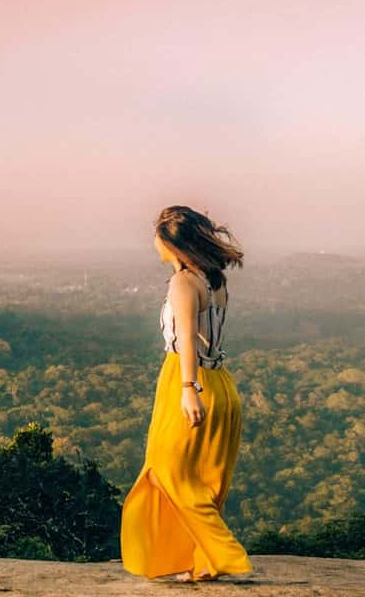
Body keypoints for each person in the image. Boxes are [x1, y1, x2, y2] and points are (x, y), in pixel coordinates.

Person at [120, 205, 253, 583]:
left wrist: (187, 389)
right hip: (220, 382)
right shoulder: (213, 280)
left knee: (169, 470)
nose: (154, 243)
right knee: (206, 478)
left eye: (157, 236)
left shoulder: (183, 284)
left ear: (173, 244)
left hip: (188, 380)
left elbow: (187, 342)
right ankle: (203, 561)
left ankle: (226, 555)